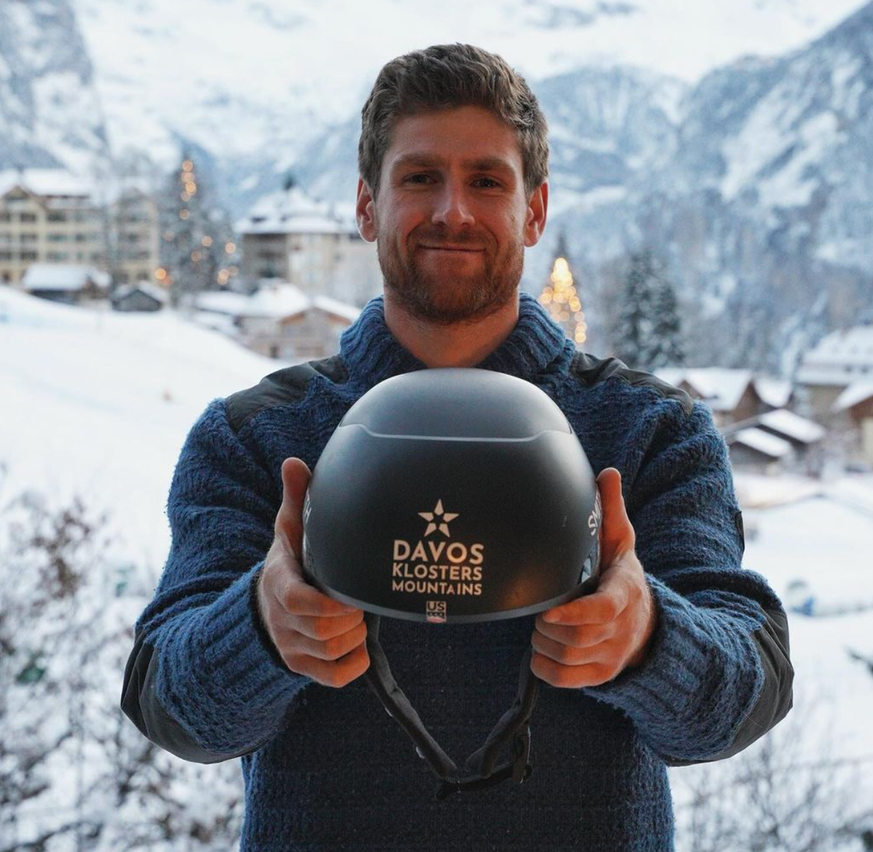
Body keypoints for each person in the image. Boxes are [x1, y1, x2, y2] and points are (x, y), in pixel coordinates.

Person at [121, 43, 793, 851]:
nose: (452, 211)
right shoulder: (254, 435)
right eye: (418, 178)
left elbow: (744, 696)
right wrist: (259, 627)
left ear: (533, 211)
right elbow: (169, 705)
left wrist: (649, 635)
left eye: (486, 181)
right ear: (367, 205)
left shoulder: (650, 429)